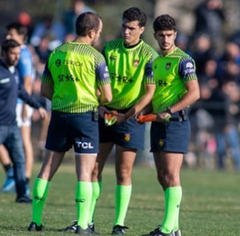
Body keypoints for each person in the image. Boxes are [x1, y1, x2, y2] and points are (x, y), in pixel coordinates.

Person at [61, 6, 158, 235]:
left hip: (129, 116)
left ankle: (119, 224)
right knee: (94, 169)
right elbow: (97, 79)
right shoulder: (109, 48)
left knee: (123, 172)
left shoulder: (148, 55)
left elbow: (149, 92)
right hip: (105, 113)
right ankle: (86, 221)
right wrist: (102, 105)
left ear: (141, 30)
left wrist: (128, 114)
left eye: (132, 28)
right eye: (124, 26)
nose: (126, 32)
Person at [27, 12, 112, 234]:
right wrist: (94, 98)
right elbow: (108, 96)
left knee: (46, 169)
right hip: (85, 117)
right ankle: (83, 225)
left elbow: (44, 89)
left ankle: (35, 221)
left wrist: (63, 97)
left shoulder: (56, 53)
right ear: (92, 32)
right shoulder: (96, 57)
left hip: (59, 116)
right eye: (99, 33)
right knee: (84, 173)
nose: (99, 36)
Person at [139, 14, 200, 236]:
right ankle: (173, 227)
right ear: (154, 36)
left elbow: (195, 93)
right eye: (161, 35)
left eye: (169, 35)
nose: (165, 39)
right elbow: (152, 95)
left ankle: (168, 228)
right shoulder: (153, 62)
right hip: (157, 122)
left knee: (172, 175)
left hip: (175, 122)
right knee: (162, 176)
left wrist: (170, 110)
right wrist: (138, 113)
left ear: (175, 34)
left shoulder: (184, 60)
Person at [0, 39, 47, 203]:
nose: (16, 57)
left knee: (19, 159)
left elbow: (22, 92)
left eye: (18, 54)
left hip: (12, 125)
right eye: (13, 54)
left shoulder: (14, 72)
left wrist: (37, 106)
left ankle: (21, 195)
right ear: (4, 53)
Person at [1, 22, 37, 195]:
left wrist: (24, 106)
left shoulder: (22, 54)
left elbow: (27, 81)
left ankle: (22, 179)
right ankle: (16, 176)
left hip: (20, 103)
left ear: (22, 37)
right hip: (14, 101)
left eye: (12, 34)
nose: (8, 37)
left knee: (23, 142)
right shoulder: (17, 52)